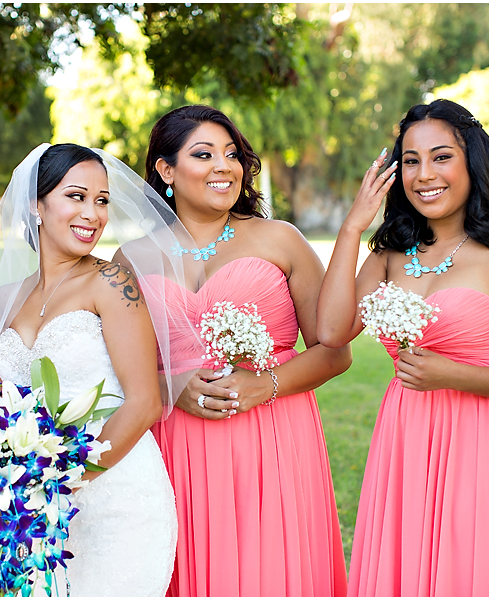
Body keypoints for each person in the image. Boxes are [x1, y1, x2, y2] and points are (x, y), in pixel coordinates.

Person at [317, 99, 489, 596]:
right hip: (404, 438)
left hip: (483, 442)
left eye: (441, 157)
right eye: (411, 160)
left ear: (472, 161)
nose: (424, 174)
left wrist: (452, 375)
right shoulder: (390, 254)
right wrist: (351, 228)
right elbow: (332, 332)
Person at [134, 104, 351, 596]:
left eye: (231, 155)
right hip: (177, 445)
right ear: (166, 170)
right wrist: (173, 385)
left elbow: (335, 351)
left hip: (272, 435)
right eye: (204, 154)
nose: (223, 166)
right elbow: (121, 366)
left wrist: (265, 384)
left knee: (271, 571)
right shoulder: (133, 258)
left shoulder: (281, 240)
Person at [0, 143, 181, 596]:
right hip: (32, 512)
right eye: (76, 196)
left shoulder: (111, 282)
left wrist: (62, 483)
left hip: (118, 495)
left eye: (102, 200)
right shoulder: (7, 297)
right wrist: (15, 486)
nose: (92, 213)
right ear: (36, 204)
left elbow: (145, 402)